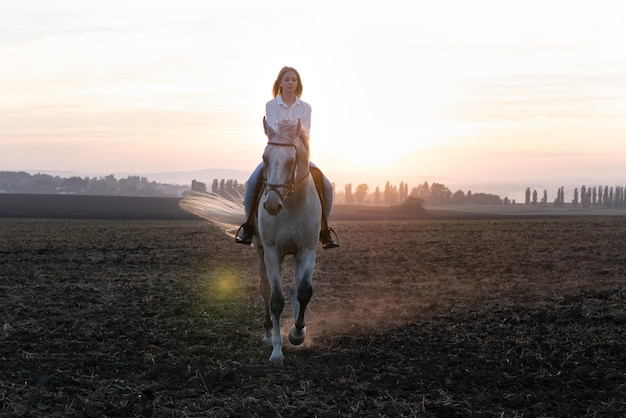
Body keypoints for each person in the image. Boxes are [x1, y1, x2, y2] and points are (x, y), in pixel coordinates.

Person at [236, 66, 339, 249]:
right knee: (252, 182)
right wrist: (291, 128)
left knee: (327, 186)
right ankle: (248, 226)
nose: (291, 82)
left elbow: (305, 131)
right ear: (280, 83)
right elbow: (274, 128)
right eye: (287, 79)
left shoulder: (306, 107)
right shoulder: (271, 105)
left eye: (294, 79)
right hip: (277, 155)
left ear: (297, 84)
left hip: (299, 155)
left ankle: (324, 230)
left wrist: (290, 129)